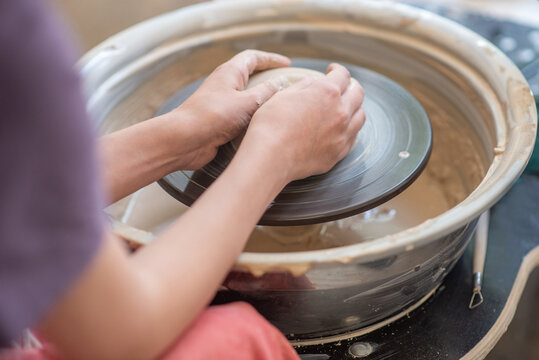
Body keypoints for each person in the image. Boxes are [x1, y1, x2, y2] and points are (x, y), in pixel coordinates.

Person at [0, 1, 365, 359]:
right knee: (239, 338)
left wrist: (186, 134)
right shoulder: (17, 39)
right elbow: (119, 337)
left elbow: (20, 190)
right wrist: (276, 154)